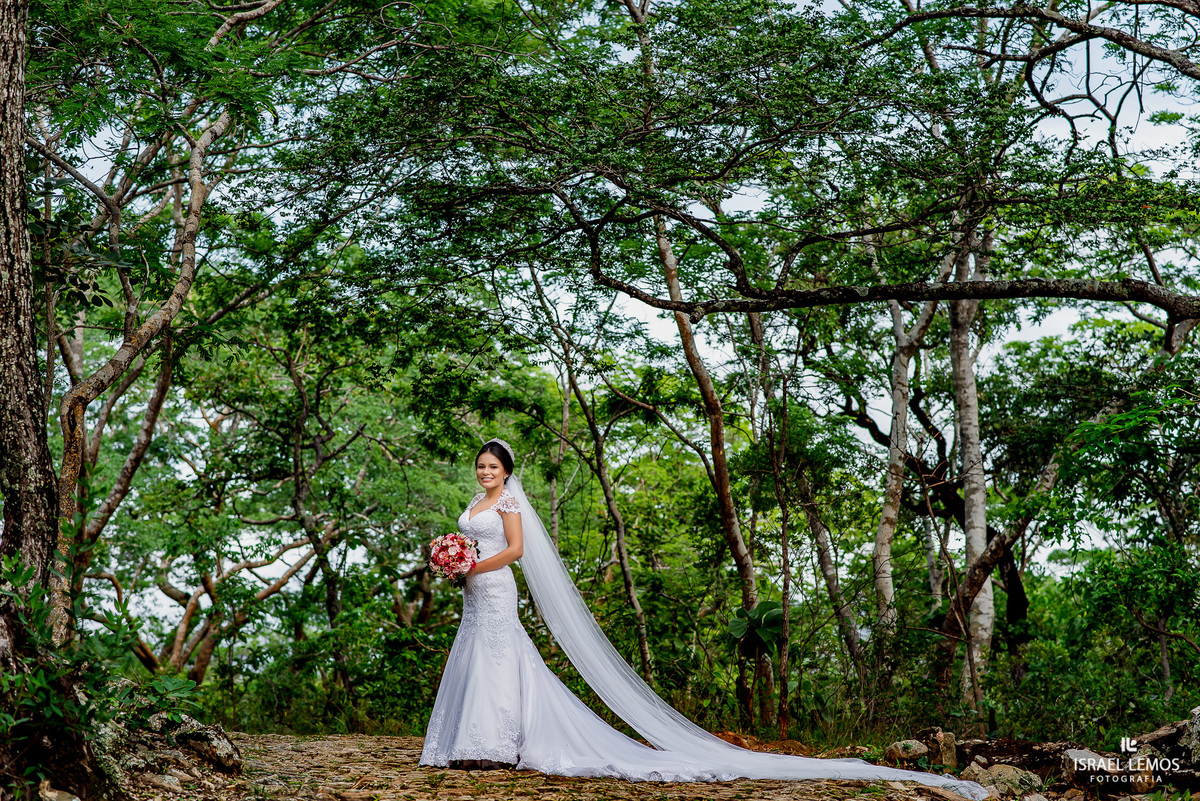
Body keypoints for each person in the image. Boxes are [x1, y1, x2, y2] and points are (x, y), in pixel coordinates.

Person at [419, 439, 986, 797]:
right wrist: (456, 559)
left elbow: (515, 551)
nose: (485, 471)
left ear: (507, 471)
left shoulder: (512, 504)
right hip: (476, 590)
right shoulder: (473, 505)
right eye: (480, 466)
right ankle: (468, 742)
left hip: (494, 584)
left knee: (502, 656)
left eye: (492, 466)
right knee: (476, 656)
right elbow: (468, 542)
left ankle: (497, 743)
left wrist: (473, 565)